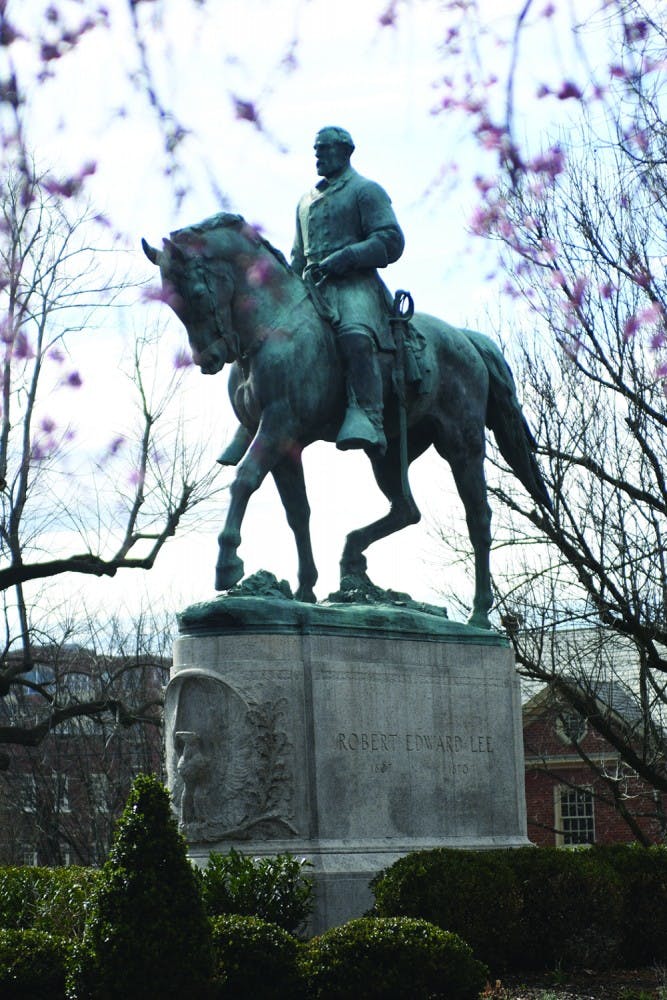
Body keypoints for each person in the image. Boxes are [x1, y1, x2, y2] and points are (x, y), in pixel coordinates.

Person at [291, 126, 405, 454]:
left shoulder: (366, 191)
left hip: (357, 286)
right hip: (314, 289)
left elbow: (391, 240)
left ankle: (370, 415)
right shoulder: (305, 202)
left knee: (354, 335)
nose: (318, 155)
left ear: (345, 151)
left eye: (324, 149)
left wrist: (348, 256)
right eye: (316, 150)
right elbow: (298, 256)